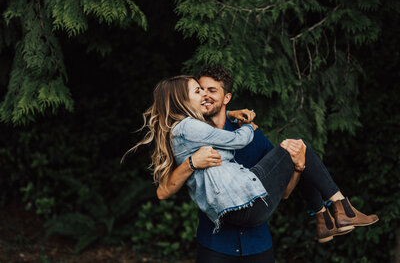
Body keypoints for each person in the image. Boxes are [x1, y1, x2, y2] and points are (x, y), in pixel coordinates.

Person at [124, 69, 379, 261]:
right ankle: (332, 211)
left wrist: (299, 168)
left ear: (227, 98)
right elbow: (162, 191)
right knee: (297, 146)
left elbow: (285, 191)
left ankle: (325, 217)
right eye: (200, 90)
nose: (205, 95)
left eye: (211, 91)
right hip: (215, 245)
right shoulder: (190, 135)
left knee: (297, 150)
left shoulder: (253, 137)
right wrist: (192, 163)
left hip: (258, 244)